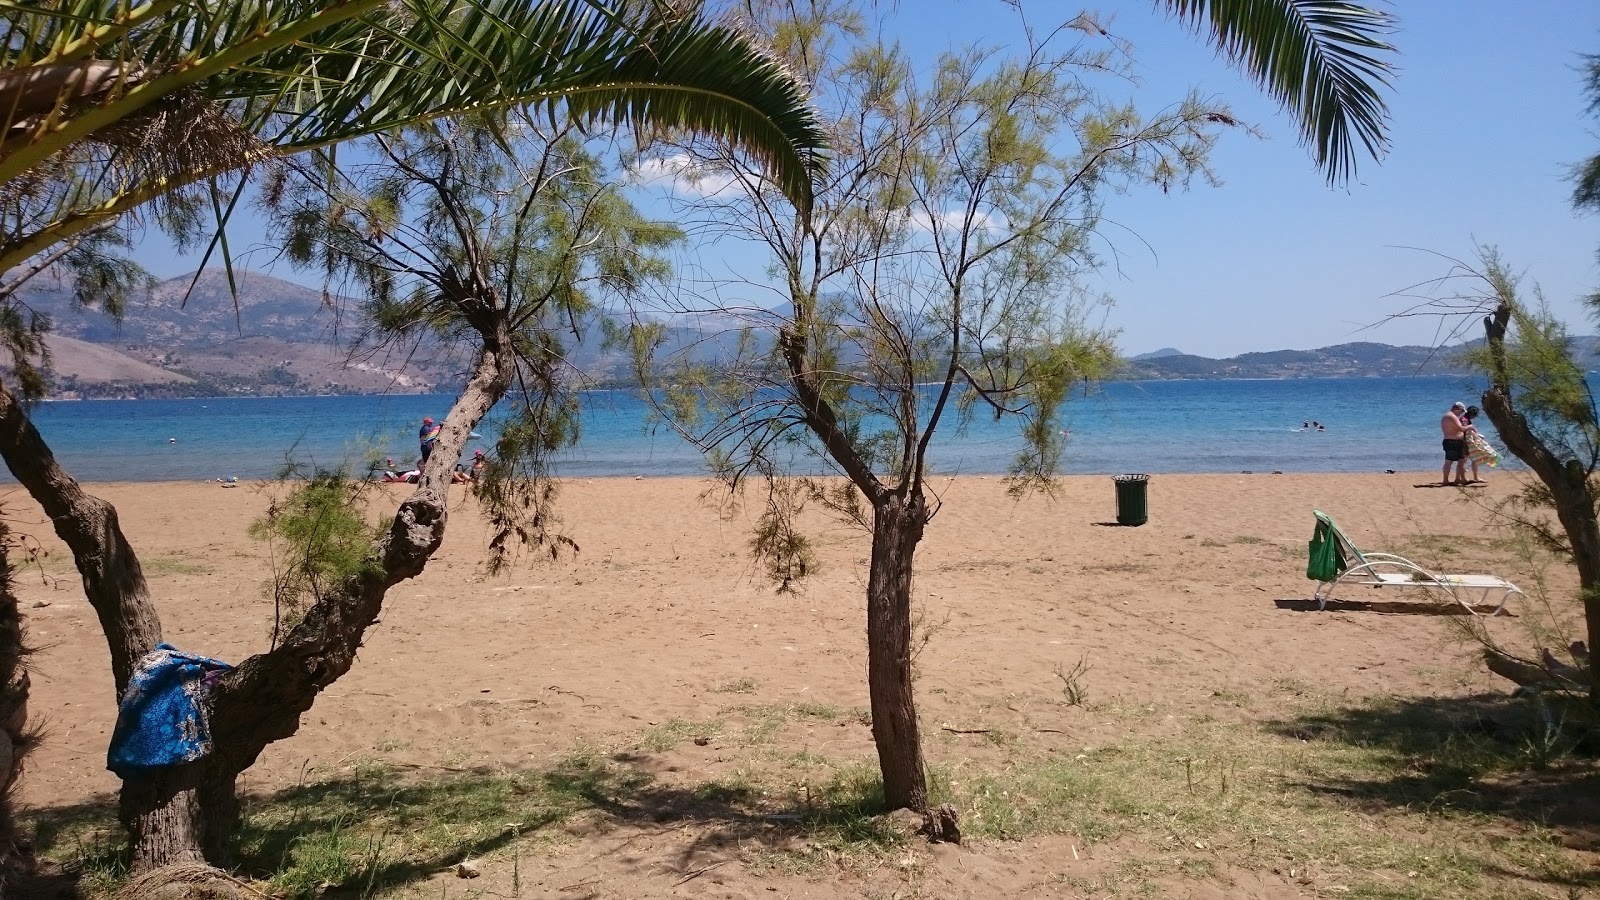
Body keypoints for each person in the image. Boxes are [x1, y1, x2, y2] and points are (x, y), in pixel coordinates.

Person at [1462, 405, 1499, 482]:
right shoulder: (1464, 420)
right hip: (1466, 443)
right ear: (1473, 414)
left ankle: (1474, 477)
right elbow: (1464, 431)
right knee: (1464, 460)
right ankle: (1463, 478)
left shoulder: (1466, 419)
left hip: (1470, 442)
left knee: (1474, 460)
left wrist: (1477, 436)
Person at [1441, 401, 1468, 485]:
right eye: (1461, 411)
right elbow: (1461, 429)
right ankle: (1446, 480)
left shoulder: (1446, 416)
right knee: (1449, 461)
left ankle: (1460, 479)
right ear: (1457, 409)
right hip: (1453, 442)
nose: (1461, 414)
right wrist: (1470, 426)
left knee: (1461, 461)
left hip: (1453, 441)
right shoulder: (1452, 416)